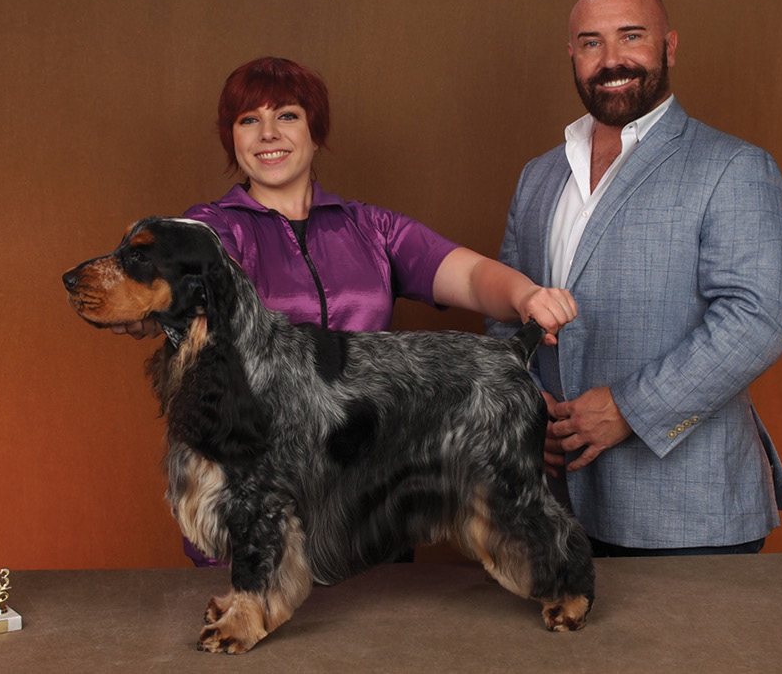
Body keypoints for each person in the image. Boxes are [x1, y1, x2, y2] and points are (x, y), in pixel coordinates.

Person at [117, 57, 577, 565]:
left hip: (369, 497)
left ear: (316, 131)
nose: (268, 134)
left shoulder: (371, 227)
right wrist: (146, 312)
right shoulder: (208, 233)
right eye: (249, 120)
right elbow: (167, 287)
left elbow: (467, 275)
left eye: (287, 115)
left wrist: (524, 295)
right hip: (259, 489)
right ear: (232, 139)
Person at [488, 0, 782, 556]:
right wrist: (527, 412)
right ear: (573, 56)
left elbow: (758, 320)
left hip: (687, 510)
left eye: (631, 37)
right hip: (551, 506)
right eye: (591, 43)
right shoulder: (538, 176)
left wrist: (630, 408)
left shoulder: (735, 167)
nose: (611, 61)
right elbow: (506, 317)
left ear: (669, 46)